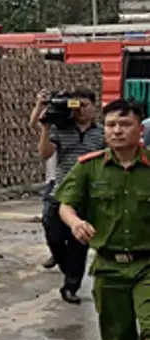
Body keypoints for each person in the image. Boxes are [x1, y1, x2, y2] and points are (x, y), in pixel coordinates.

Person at [55, 99, 150, 340]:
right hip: (109, 267)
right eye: (110, 125)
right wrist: (76, 223)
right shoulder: (90, 167)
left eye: (125, 124)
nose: (117, 130)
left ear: (140, 130)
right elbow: (65, 204)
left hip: (147, 264)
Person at [35, 88, 105, 303]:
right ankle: (63, 263)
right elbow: (45, 153)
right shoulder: (61, 128)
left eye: (85, 105)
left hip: (87, 194)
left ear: (94, 107)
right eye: (77, 105)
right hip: (60, 190)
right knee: (53, 234)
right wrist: (45, 128)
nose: (81, 110)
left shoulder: (101, 133)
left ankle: (70, 287)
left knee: (79, 243)